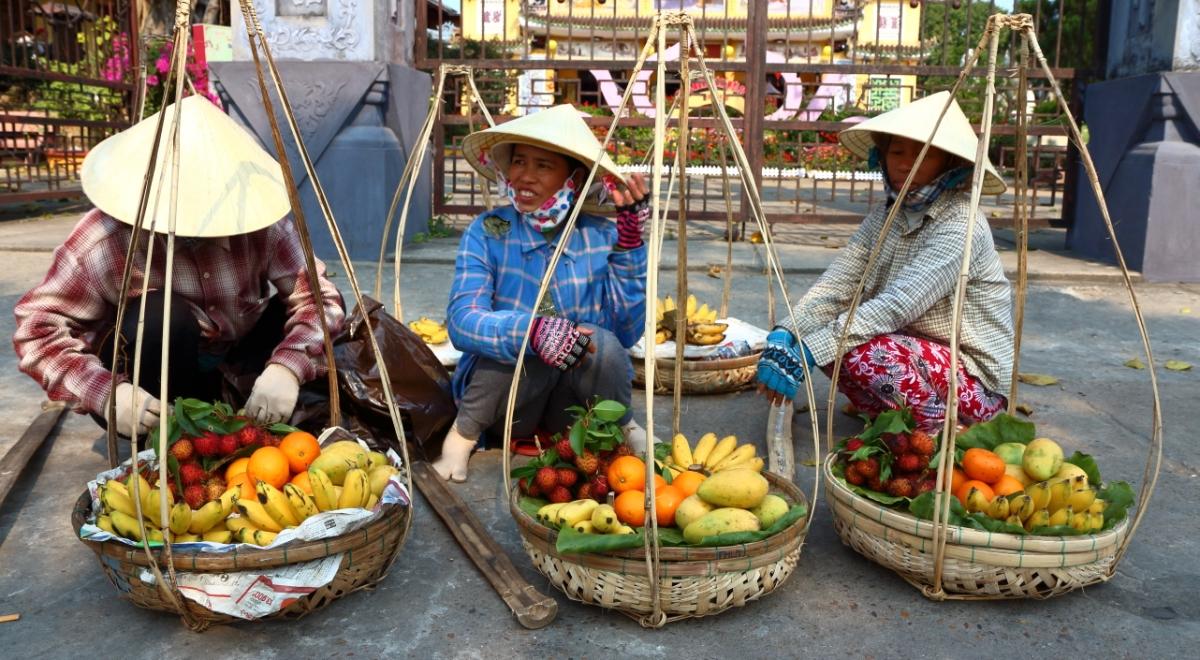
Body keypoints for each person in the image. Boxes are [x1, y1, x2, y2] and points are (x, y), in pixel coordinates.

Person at [13, 95, 345, 438]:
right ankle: (156, 430)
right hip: (151, 380)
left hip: (238, 367)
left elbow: (320, 301)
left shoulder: (262, 226)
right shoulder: (104, 239)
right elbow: (37, 329)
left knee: (323, 309)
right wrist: (106, 394)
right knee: (159, 315)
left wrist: (287, 367)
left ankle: (249, 409)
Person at [756, 91, 1013, 432]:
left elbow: (898, 304)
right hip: (912, 352)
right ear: (882, 154)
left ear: (949, 163)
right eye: (896, 152)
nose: (905, 164)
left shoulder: (961, 223)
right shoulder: (886, 215)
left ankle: (942, 435)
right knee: (830, 336)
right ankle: (893, 421)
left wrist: (808, 350)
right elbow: (839, 283)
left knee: (860, 352)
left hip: (973, 380)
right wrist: (787, 333)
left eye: (923, 155)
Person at [432, 104, 650, 482]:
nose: (525, 177)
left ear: (574, 180)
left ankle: (627, 430)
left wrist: (630, 248)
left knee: (602, 342)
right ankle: (460, 440)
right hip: (510, 404)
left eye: (543, 166)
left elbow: (626, 334)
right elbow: (463, 322)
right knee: (515, 340)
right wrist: (533, 333)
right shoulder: (488, 232)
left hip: (573, 407)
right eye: (519, 162)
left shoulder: (600, 235)